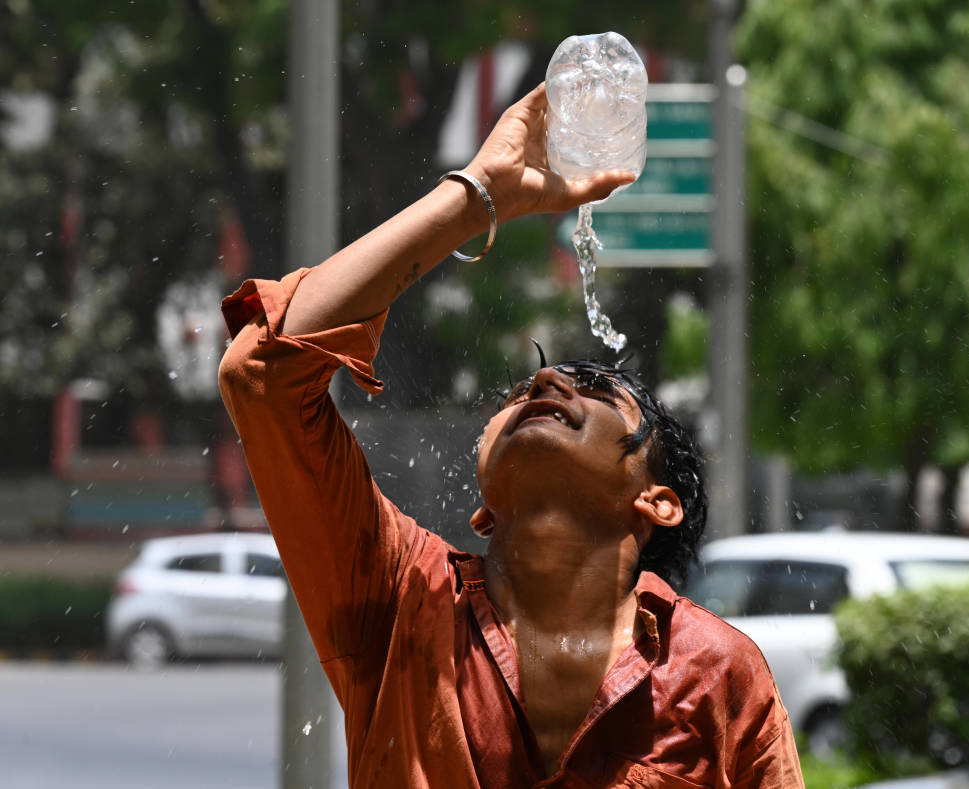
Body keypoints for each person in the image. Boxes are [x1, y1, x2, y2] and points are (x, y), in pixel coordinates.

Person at [219, 84, 805, 788]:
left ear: (657, 501)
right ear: (484, 508)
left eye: (594, 388)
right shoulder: (402, 598)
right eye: (521, 393)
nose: (545, 385)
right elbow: (264, 372)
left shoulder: (719, 672)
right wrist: (477, 196)